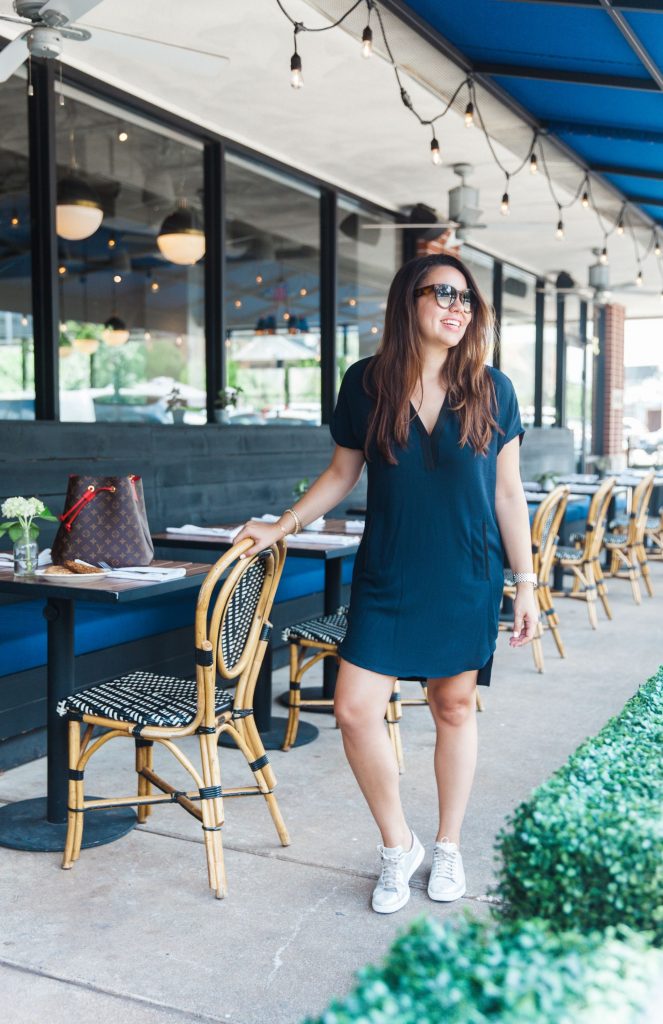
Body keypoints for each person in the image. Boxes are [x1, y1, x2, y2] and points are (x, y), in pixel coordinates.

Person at [233, 253, 538, 914]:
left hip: (465, 572)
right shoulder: (366, 383)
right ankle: (398, 847)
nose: (458, 308)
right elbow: (342, 474)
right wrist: (279, 525)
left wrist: (528, 583)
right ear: (409, 300)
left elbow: (509, 496)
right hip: (388, 574)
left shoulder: (493, 388)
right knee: (353, 709)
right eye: (443, 294)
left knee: (453, 708)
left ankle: (448, 845)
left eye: (467, 300)